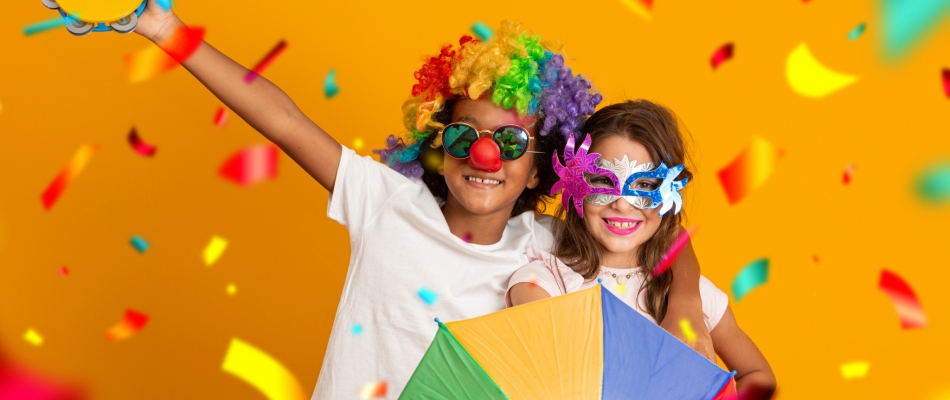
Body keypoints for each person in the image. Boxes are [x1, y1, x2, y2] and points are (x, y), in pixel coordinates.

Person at [132, 2, 713, 396]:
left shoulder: (545, 245)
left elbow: (652, 230)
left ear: (539, 168)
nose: (484, 156)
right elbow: (284, 120)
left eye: (511, 142)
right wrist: (165, 30)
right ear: (438, 144)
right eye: (465, 136)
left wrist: (685, 302)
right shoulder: (386, 204)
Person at [508, 100, 776, 396]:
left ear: (671, 192)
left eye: (645, 185)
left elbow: (760, 377)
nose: (623, 204)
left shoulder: (690, 295)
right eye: (603, 180)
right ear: (575, 183)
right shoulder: (543, 283)